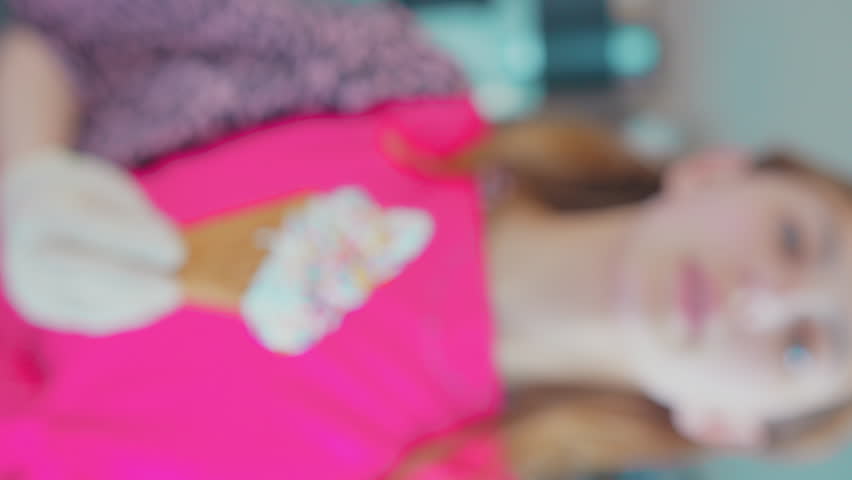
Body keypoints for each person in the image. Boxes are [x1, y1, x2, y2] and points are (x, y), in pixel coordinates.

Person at [2, 1, 852, 479]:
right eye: (794, 239)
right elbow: (60, 32)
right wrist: (26, 172)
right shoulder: (386, 84)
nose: (763, 298)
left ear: (729, 425)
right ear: (714, 171)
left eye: (802, 349)